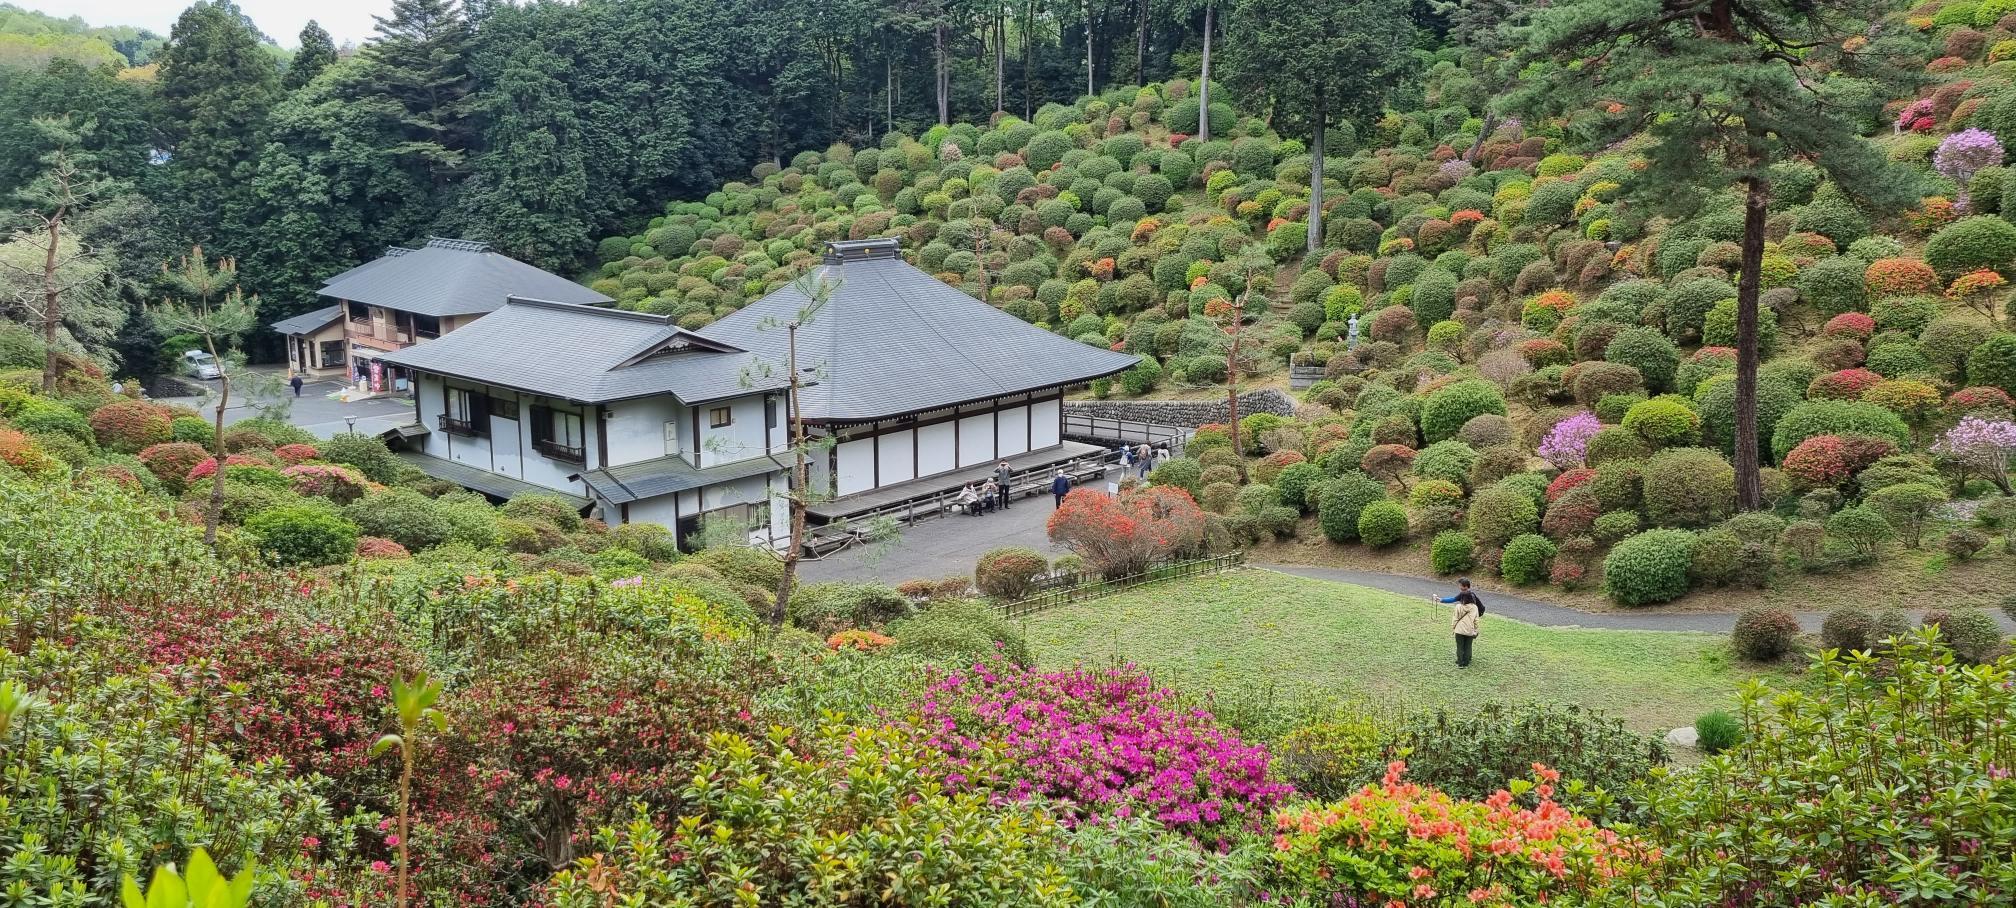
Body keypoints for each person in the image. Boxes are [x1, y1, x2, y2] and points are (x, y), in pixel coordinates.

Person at [1435, 578, 1483, 667]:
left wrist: (1453, 627)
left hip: (1459, 629)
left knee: (1460, 646)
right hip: (1470, 628)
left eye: (1460, 585)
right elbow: (1476, 618)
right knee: (1468, 645)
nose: (1459, 587)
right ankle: (1467, 660)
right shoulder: (1474, 607)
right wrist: (1476, 628)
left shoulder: (1458, 606)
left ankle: (1460, 662)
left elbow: (1455, 616)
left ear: (1465, 586)